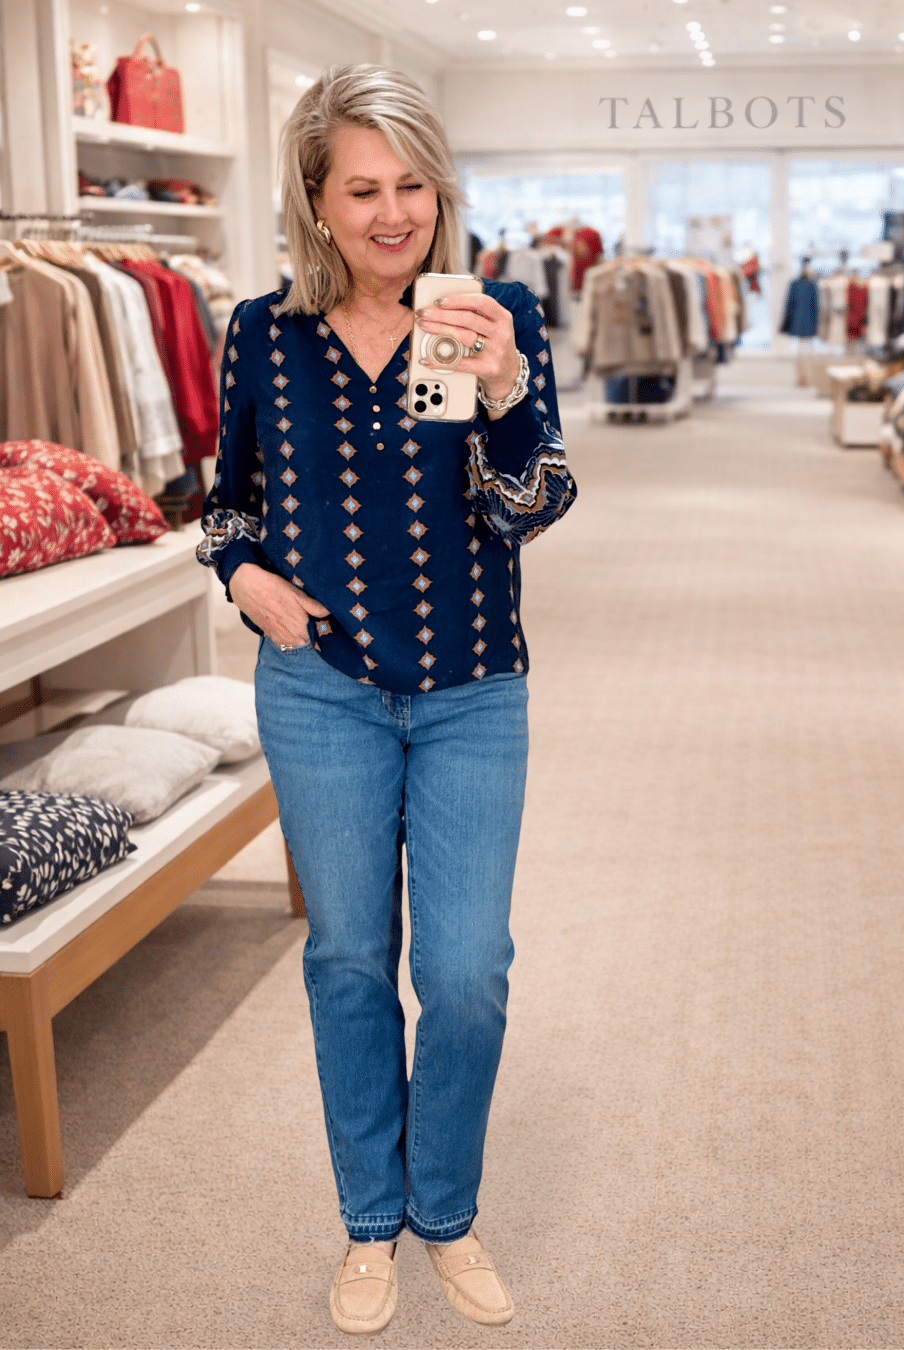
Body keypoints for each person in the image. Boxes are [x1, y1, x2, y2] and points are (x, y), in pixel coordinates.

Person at [196, 64, 576, 1336]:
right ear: (316, 198)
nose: (392, 211)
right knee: (350, 960)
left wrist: (511, 391)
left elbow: (523, 510)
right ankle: (371, 1223)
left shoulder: (480, 315)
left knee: (465, 971)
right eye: (363, 188)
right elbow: (228, 502)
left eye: (413, 184)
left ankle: (447, 1215)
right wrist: (245, 575)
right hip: (321, 694)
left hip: (471, 688)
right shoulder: (266, 332)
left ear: (441, 190)